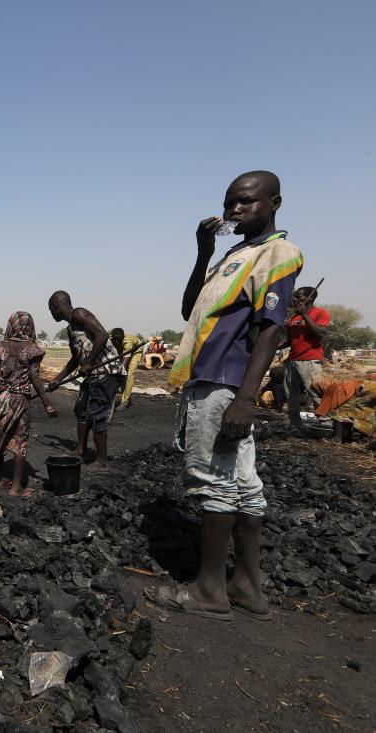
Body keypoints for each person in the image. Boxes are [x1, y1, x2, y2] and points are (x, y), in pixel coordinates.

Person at [148, 170, 304, 621]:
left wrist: (247, 398)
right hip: (219, 382)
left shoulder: (278, 252)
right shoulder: (237, 254)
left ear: (274, 203)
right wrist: (203, 253)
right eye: (229, 202)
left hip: (225, 383)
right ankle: (248, 587)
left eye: (246, 201)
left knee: (212, 480)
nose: (235, 209)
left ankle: (209, 591)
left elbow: (272, 330)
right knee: (241, 483)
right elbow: (188, 310)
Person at [0, 312, 57, 496]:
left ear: (11, 326)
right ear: (30, 327)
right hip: (20, 399)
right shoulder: (32, 350)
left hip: (0, 398)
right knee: (20, 439)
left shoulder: (1, 346)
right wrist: (47, 404)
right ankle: (16, 488)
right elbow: (35, 378)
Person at [46, 291, 126, 471]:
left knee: (98, 414)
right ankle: (80, 449)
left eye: (50, 309)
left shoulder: (79, 314)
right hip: (93, 375)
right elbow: (75, 360)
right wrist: (57, 380)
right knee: (81, 410)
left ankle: (102, 461)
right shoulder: (70, 329)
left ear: (56, 306)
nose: (51, 314)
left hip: (107, 373)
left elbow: (102, 335)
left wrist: (89, 361)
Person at [283, 286, 331, 429]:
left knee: (314, 392)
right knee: (291, 394)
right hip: (292, 360)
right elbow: (289, 341)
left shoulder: (320, 313)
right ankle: (294, 421)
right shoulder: (293, 317)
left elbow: (320, 333)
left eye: (299, 297)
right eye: (295, 297)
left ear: (310, 298)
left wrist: (305, 315)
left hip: (309, 360)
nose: (296, 299)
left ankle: (326, 421)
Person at [110, 328, 144, 409]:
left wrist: (116, 374)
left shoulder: (127, 342)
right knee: (120, 376)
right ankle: (127, 397)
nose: (116, 342)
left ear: (123, 337)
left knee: (129, 374)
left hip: (136, 351)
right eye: (115, 340)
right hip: (123, 351)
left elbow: (124, 364)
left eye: (119, 340)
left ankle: (124, 402)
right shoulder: (109, 339)